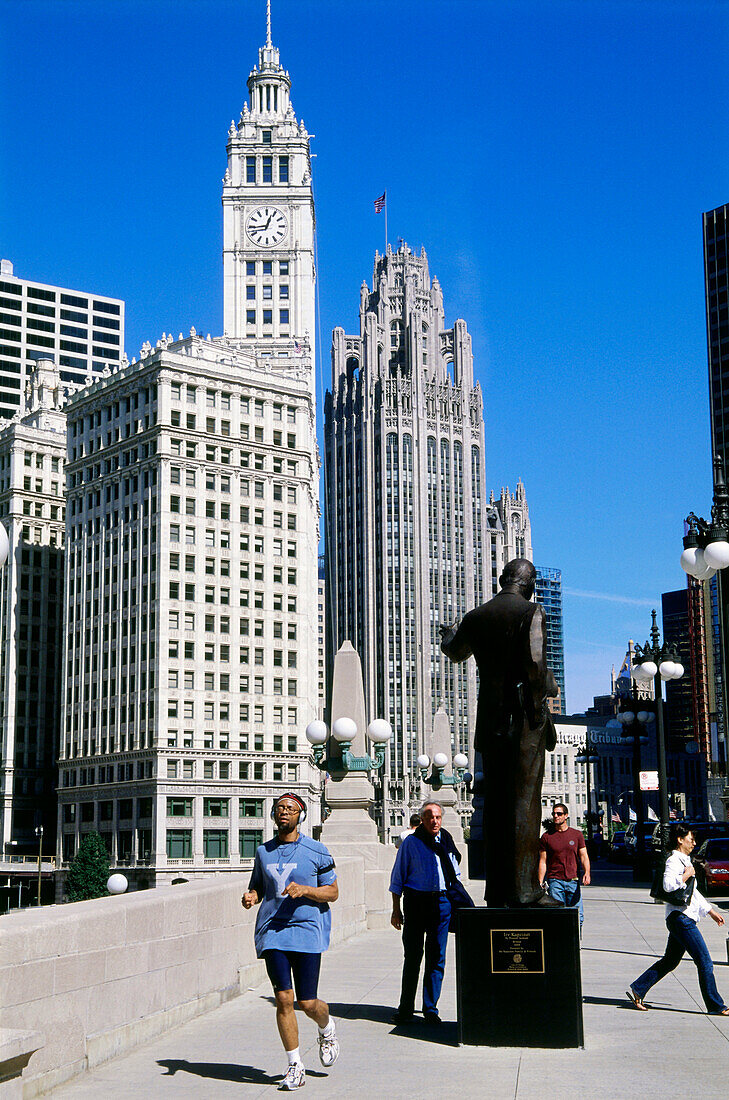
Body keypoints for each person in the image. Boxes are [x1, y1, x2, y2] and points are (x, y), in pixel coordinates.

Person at [440, 558, 560, 907]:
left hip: (490, 720)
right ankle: (525, 890)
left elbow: (455, 651)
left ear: (501, 580)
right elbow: (536, 665)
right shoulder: (531, 611)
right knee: (524, 801)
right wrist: (538, 709)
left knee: (494, 804)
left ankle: (497, 890)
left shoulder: (477, 616)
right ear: (530, 583)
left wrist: (448, 635)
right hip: (522, 717)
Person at [242, 793, 340, 1090]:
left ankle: (326, 1027)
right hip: (273, 930)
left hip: (308, 930)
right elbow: (258, 885)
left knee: (308, 1003)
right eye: (279, 808)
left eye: (291, 809)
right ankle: (295, 1065)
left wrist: (306, 891)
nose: (284, 812)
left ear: (301, 816)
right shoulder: (264, 852)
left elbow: (332, 892)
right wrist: (252, 897)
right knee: (284, 998)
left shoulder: (317, 851)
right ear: (274, 815)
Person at [627, 823, 728, 1015]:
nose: (694, 843)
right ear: (680, 840)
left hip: (680, 918)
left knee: (670, 961)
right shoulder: (674, 860)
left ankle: (638, 988)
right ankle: (716, 1006)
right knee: (705, 961)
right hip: (681, 919)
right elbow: (668, 886)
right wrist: (686, 875)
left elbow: (692, 892)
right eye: (691, 840)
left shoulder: (684, 860)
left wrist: (711, 911)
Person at [389, 801, 464, 1025]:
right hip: (416, 902)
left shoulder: (447, 841)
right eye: (430, 817)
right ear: (422, 819)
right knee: (412, 957)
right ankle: (406, 1009)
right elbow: (397, 879)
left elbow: (455, 875)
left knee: (437, 957)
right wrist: (396, 910)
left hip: (441, 903)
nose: (435, 821)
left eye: (438, 817)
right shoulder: (410, 843)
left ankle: (430, 1008)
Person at [538, 803, 591, 928]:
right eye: (554, 814)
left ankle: (575, 946)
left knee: (578, 917)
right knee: (558, 915)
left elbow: (583, 856)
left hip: (573, 880)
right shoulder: (546, 837)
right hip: (555, 880)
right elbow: (543, 861)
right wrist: (540, 881)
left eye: (559, 813)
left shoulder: (576, 835)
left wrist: (587, 872)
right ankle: (561, 946)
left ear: (566, 816)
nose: (556, 816)